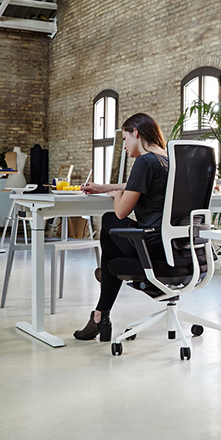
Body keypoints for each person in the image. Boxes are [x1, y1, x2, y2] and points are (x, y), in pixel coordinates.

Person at [73, 113, 169, 342]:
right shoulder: (169, 159)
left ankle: (102, 312)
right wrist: (105, 186)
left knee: (109, 222)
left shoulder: (144, 161)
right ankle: (100, 315)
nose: (124, 146)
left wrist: (116, 195)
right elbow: (140, 183)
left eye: (125, 139)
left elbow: (121, 212)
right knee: (112, 250)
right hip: (178, 246)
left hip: (152, 246)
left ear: (136, 133)